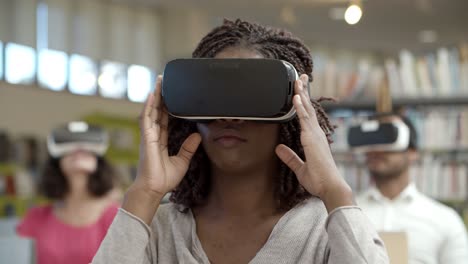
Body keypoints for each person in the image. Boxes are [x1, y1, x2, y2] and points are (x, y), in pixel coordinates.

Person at [93, 19, 389, 263]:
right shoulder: (156, 228)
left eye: (250, 97)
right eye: (216, 96)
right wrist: (143, 194)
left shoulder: (325, 229)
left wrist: (334, 191)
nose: (229, 117)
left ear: (292, 110)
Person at [355, 113, 468, 264]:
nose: (376, 149)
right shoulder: (346, 213)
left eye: (388, 137)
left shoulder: (446, 219)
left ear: (412, 152)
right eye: (371, 140)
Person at [16, 122, 119, 264]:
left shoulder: (116, 218)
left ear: (98, 160)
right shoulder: (36, 217)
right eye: (69, 150)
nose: (77, 150)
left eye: (86, 150)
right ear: (57, 163)